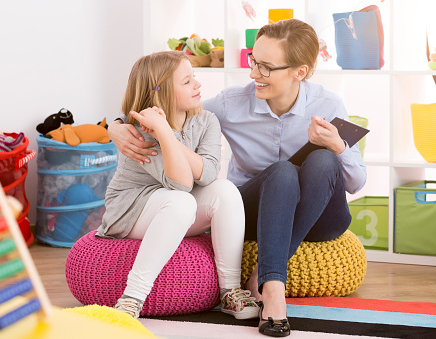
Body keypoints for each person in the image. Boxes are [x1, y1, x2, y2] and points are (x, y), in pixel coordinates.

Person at [108, 19, 367, 336]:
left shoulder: (329, 105)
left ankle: (265, 270)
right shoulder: (232, 103)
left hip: (320, 217)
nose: (254, 74)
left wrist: (337, 145)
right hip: (258, 210)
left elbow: (355, 183)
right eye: (253, 61)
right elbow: (168, 101)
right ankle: (273, 291)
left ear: (299, 72)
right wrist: (117, 125)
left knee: (324, 159)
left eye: (266, 67)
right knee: (283, 172)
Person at [96, 50, 259, 320]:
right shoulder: (140, 129)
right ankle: (132, 297)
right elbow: (181, 185)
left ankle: (230, 291)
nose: (198, 85)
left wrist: (166, 133)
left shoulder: (206, 120)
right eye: (187, 81)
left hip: (173, 205)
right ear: (160, 92)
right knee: (182, 201)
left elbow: (208, 174)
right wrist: (161, 130)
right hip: (131, 209)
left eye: (194, 77)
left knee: (226, 191)